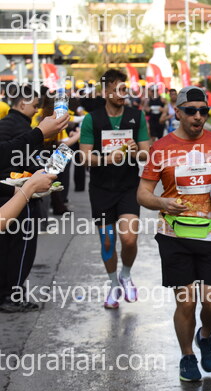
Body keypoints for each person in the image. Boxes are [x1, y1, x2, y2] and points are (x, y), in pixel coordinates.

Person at [137, 86, 211, 382]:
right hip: (174, 235)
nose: (198, 116)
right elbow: (143, 194)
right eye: (191, 110)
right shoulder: (161, 148)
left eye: (203, 111)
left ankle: (205, 335)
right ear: (178, 112)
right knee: (186, 302)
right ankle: (187, 355)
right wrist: (163, 203)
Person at [79, 69, 150, 309]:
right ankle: (113, 284)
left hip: (128, 186)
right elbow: (84, 157)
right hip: (101, 189)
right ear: (105, 91)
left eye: (124, 89)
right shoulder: (92, 119)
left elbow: (147, 153)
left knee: (129, 239)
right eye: (117, 89)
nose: (122, 93)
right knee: (108, 242)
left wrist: (135, 152)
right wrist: (107, 159)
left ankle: (126, 275)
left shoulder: (136, 116)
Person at [0, 85, 69, 312]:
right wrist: (28, 184)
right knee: (20, 248)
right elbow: (17, 158)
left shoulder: (14, 124)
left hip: (16, 192)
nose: (37, 109)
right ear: (22, 103)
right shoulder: (18, 126)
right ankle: (12, 295)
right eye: (35, 105)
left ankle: (10, 294)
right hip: (16, 195)